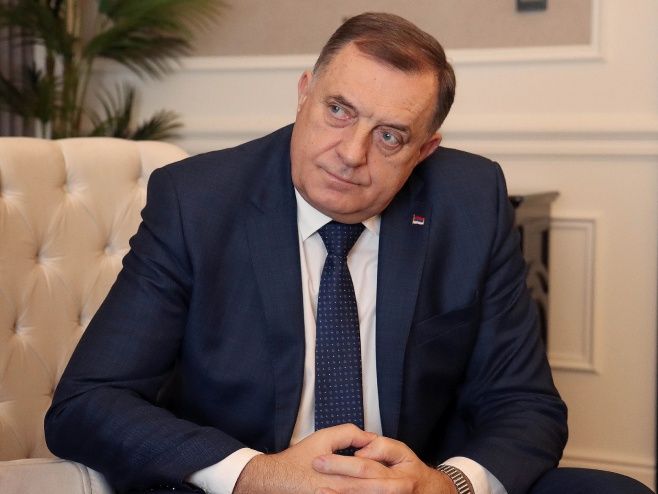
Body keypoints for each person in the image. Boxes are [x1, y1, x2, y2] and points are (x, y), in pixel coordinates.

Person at [45, 12, 653, 494]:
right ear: (304, 93)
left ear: (425, 150)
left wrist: (448, 485)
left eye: (390, 135)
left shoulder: (471, 201)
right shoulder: (198, 200)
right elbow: (87, 402)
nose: (351, 153)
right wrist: (258, 476)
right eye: (338, 111)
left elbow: (525, 404)